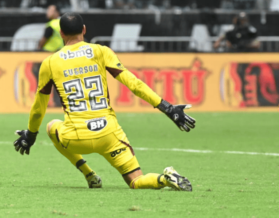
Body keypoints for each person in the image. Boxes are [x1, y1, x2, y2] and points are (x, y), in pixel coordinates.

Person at [14, 12, 195, 191]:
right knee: (136, 180)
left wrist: (31, 135)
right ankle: (164, 179)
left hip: (76, 137)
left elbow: (39, 107)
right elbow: (134, 84)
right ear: (84, 30)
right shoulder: (100, 51)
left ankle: (89, 174)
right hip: (109, 135)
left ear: (61, 33)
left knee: (52, 126)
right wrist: (168, 108)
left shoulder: (50, 62)